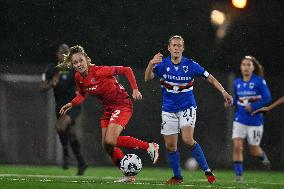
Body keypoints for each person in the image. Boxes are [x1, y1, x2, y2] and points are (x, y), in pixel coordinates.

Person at [58, 45, 159, 183]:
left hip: (122, 104)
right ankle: (129, 176)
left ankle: (149, 146)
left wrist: (135, 89)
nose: (78, 64)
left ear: (87, 60)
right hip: (108, 109)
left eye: (81, 60)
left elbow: (126, 70)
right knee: (107, 146)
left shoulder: (99, 71)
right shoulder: (79, 77)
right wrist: (71, 103)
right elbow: (82, 94)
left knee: (110, 140)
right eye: (75, 62)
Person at [145, 35, 233, 184]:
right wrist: (150, 63)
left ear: (183, 48)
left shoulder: (191, 65)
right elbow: (147, 78)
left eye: (179, 46)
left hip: (187, 107)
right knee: (170, 146)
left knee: (187, 139)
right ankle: (177, 177)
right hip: (168, 110)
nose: (176, 48)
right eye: (174, 45)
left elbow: (210, 77)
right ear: (169, 48)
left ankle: (208, 171)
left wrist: (224, 92)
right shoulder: (161, 64)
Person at [40, 44, 87, 175]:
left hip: (73, 105)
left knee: (60, 127)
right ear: (57, 54)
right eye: (62, 52)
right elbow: (41, 88)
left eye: (67, 53)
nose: (64, 55)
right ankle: (81, 162)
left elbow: (85, 80)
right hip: (60, 107)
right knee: (71, 134)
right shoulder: (51, 69)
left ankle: (66, 155)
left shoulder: (74, 69)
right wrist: (50, 84)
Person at [228, 56, 271, 182]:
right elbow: (236, 99)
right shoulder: (237, 82)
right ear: (241, 67)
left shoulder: (259, 81)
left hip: (255, 121)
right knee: (237, 146)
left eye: (248, 65)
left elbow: (267, 98)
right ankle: (239, 176)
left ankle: (263, 157)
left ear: (253, 68)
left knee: (253, 150)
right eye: (243, 64)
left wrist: (253, 106)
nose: (246, 67)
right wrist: (230, 101)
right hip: (240, 119)